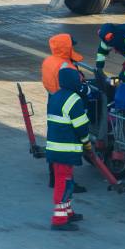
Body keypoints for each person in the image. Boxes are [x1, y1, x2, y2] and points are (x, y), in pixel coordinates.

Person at [45, 68, 92, 231]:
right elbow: (81, 126)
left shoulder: (55, 96)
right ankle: (59, 220)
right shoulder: (74, 99)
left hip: (55, 148)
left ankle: (68, 212)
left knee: (67, 180)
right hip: (65, 150)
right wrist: (87, 143)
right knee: (63, 183)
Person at [41, 33, 88, 193]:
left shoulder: (48, 61)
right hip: (66, 103)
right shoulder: (66, 66)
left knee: (53, 140)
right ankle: (69, 183)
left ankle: (53, 178)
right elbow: (77, 86)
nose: (73, 48)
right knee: (66, 145)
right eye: (71, 46)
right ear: (66, 48)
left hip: (53, 100)